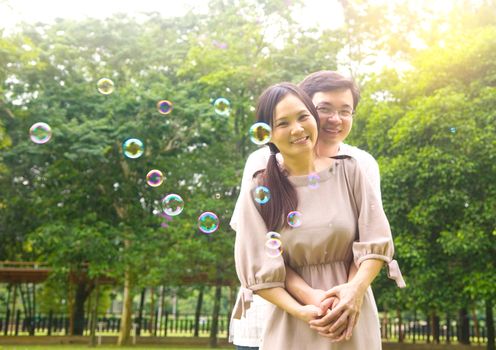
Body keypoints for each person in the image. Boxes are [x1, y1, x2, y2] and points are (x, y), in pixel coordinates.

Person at [229, 71, 399, 348]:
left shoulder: (354, 166)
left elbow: (373, 241)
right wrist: (311, 302)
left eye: (346, 110)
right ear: (267, 133)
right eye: (282, 123)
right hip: (288, 313)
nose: (296, 129)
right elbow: (260, 254)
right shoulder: (260, 176)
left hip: (350, 310)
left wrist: (351, 292)